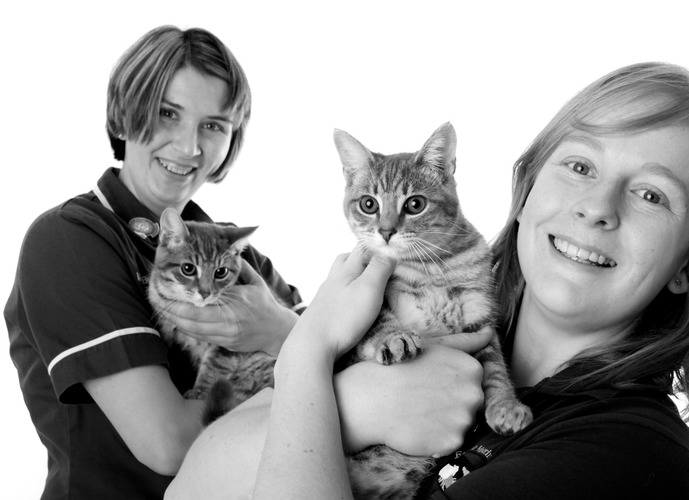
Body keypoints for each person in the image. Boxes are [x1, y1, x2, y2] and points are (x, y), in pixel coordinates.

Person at [168, 61, 689, 500]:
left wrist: (309, 361)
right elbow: (186, 489)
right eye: (579, 166)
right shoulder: (419, 330)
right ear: (523, 191)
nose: (598, 207)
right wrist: (344, 389)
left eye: (652, 195)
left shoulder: (629, 457)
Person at [4, 26, 483, 499]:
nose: (190, 146)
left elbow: (332, 360)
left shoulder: (239, 255)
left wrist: (280, 330)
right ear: (126, 111)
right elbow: (169, 445)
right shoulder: (69, 240)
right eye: (168, 114)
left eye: (213, 125)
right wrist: (348, 393)